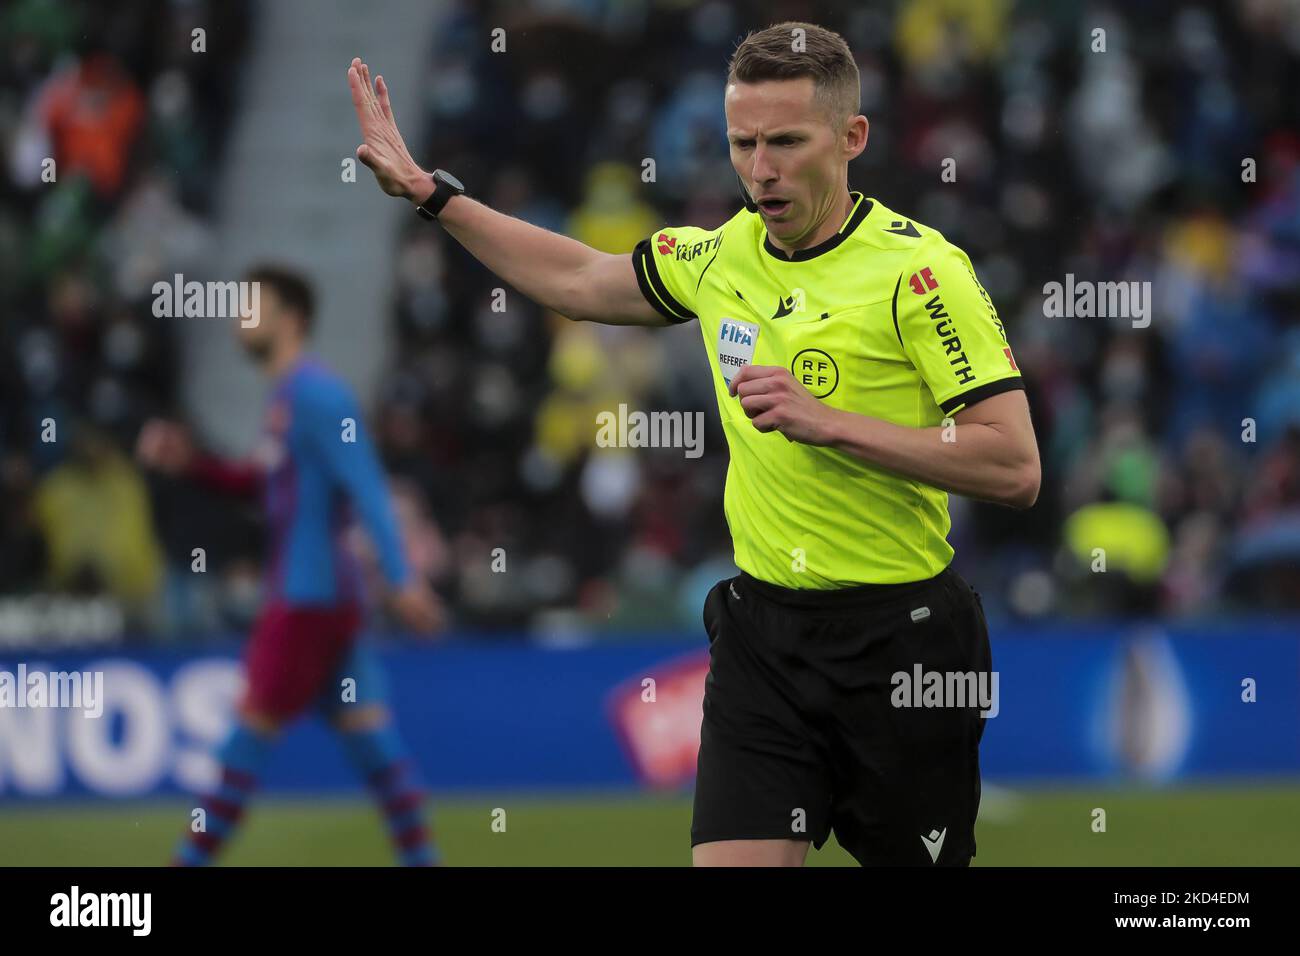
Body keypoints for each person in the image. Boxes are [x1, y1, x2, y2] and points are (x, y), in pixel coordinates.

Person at [348, 20, 1040, 866]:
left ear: (852, 137)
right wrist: (431, 193)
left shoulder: (923, 274)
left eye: (786, 141)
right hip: (764, 641)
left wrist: (832, 424)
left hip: (905, 642)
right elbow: (577, 278)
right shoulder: (716, 255)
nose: (761, 169)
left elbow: (1014, 465)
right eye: (743, 143)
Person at [137, 265, 446, 866]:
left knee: (238, 756)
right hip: (326, 603)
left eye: (254, 305)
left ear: (293, 319)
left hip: (306, 602)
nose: (240, 316)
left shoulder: (319, 396)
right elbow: (262, 482)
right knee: (376, 754)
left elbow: (369, 489)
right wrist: (191, 463)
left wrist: (403, 580)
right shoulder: (284, 397)